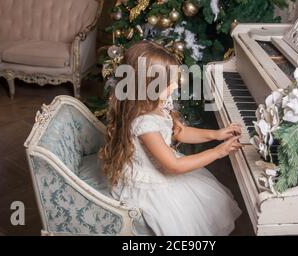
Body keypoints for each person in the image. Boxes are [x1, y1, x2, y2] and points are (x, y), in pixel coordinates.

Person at [99, 41, 242, 235]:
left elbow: (179, 132)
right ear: (147, 85)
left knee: (210, 200)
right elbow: (173, 166)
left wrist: (215, 135)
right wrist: (218, 152)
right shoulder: (144, 123)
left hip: (166, 164)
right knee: (188, 218)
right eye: (169, 83)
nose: (175, 85)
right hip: (151, 183)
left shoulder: (156, 102)